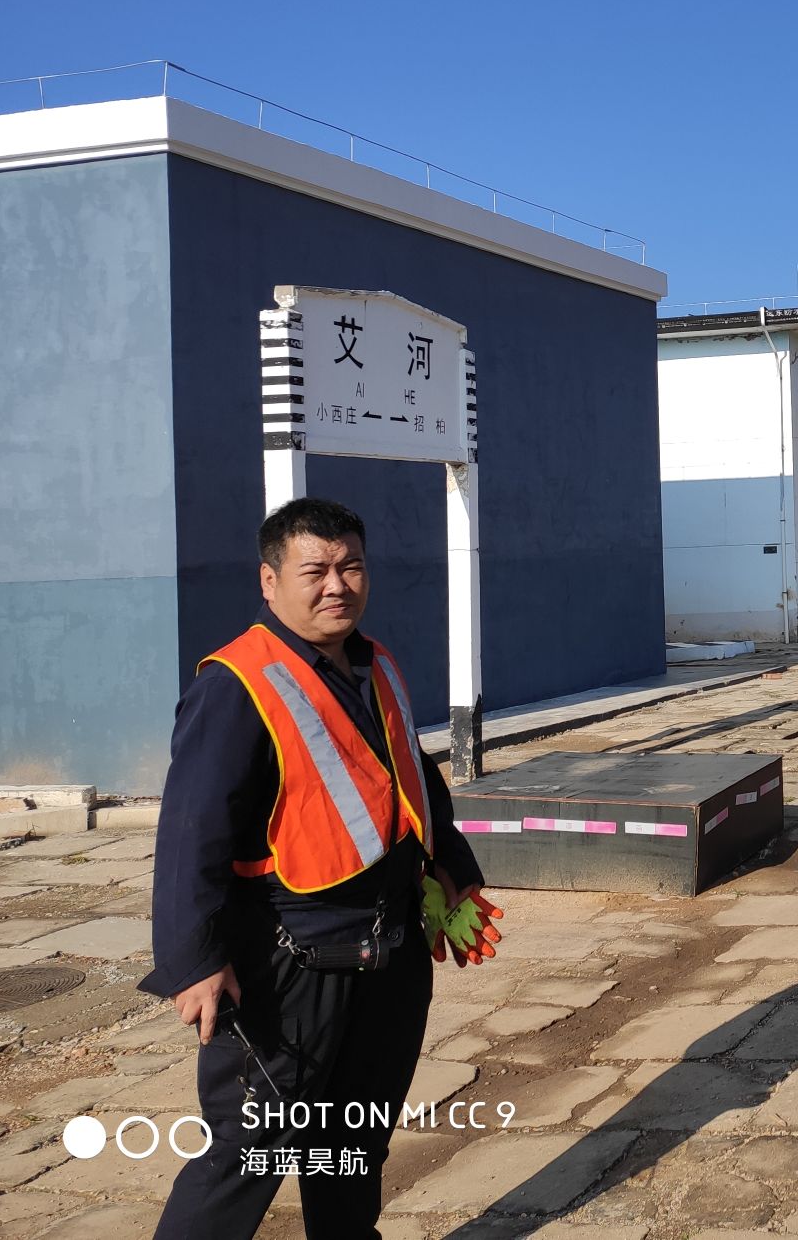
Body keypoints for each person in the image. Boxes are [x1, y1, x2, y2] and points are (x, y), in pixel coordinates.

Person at [143, 497, 489, 1240]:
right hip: (290, 969)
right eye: (316, 570)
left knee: (354, 1145)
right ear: (270, 583)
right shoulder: (236, 684)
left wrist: (452, 866)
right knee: (249, 1153)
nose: (338, 584)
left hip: (389, 958)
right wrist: (193, 961)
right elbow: (190, 835)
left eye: (352, 566)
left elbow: (409, 773)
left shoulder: (372, 661)